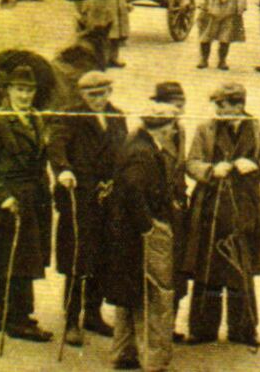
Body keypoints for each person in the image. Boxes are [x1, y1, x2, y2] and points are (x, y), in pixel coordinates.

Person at [184, 83, 260, 347]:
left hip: (246, 210)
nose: (218, 111)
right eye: (217, 106)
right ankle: (202, 329)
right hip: (211, 209)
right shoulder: (206, 129)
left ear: (238, 105)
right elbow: (191, 163)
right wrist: (211, 170)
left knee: (242, 268)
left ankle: (244, 330)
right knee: (208, 268)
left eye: (223, 106)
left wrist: (257, 165)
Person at [0, 66, 54, 341]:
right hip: (9, 200)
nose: (25, 95)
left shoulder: (35, 119)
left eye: (29, 90)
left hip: (34, 198)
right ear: (7, 91)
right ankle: (16, 319)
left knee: (27, 256)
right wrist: (3, 198)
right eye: (19, 89)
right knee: (13, 257)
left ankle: (8, 313)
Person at [47, 71, 128, 346]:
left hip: (107, 198)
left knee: (103, 256)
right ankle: (72, 319)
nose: (98, 99)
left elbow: (123, 153)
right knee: (77, 258)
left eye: (103, 93)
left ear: (110, 92)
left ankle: (93, 314)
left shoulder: (118, 116)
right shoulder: (70, 115)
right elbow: (56, 146)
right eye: (92, 95)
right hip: (79, 197)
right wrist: (63, 170)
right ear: (82, 95)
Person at [105, 102, 178, 371]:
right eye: (172, 126)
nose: (174, 131)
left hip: (126, 236)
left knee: (130, 296)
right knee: (154, 295)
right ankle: (153, 361)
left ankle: (124, 353)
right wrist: (149, 227)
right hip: (141, 235)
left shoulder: (137, 144)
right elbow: (133, 190)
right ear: (163, 128)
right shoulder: (143, 153)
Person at [149, 82, 190, 339]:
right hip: (157, 210)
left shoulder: (181, 131)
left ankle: (168, 324)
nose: (179, 110)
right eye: (174, 105)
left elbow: (180, 167)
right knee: (157, 271)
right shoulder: (150, 133)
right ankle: (153, 327)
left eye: (181, 105)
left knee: (177, 271)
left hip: (177, 208)